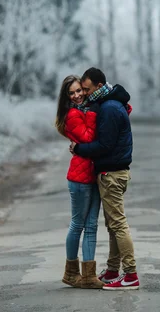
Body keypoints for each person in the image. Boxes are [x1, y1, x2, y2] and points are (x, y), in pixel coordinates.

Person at [70, 67, 140, 291]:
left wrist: (79, 148)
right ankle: (112, 271)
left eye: (88, 89)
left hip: (111, 173)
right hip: (114, 172)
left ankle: (130, 275)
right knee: (113, 226)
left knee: (118, 225)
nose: (86, 93)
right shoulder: (109, 103)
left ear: (99, 86)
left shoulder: (109, 108)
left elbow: (105, 145)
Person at [55, 75, 103, 289]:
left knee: (92, 225)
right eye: (71, 93)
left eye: (78, 91)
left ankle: (89, 275)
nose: (76, 95)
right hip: (79, 178)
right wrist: (93, 112)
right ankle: (71, 271)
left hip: (92, 175)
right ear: (66, 97)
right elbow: (89, 138)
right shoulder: (73, 114)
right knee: (78, 224)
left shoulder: (85, 109)